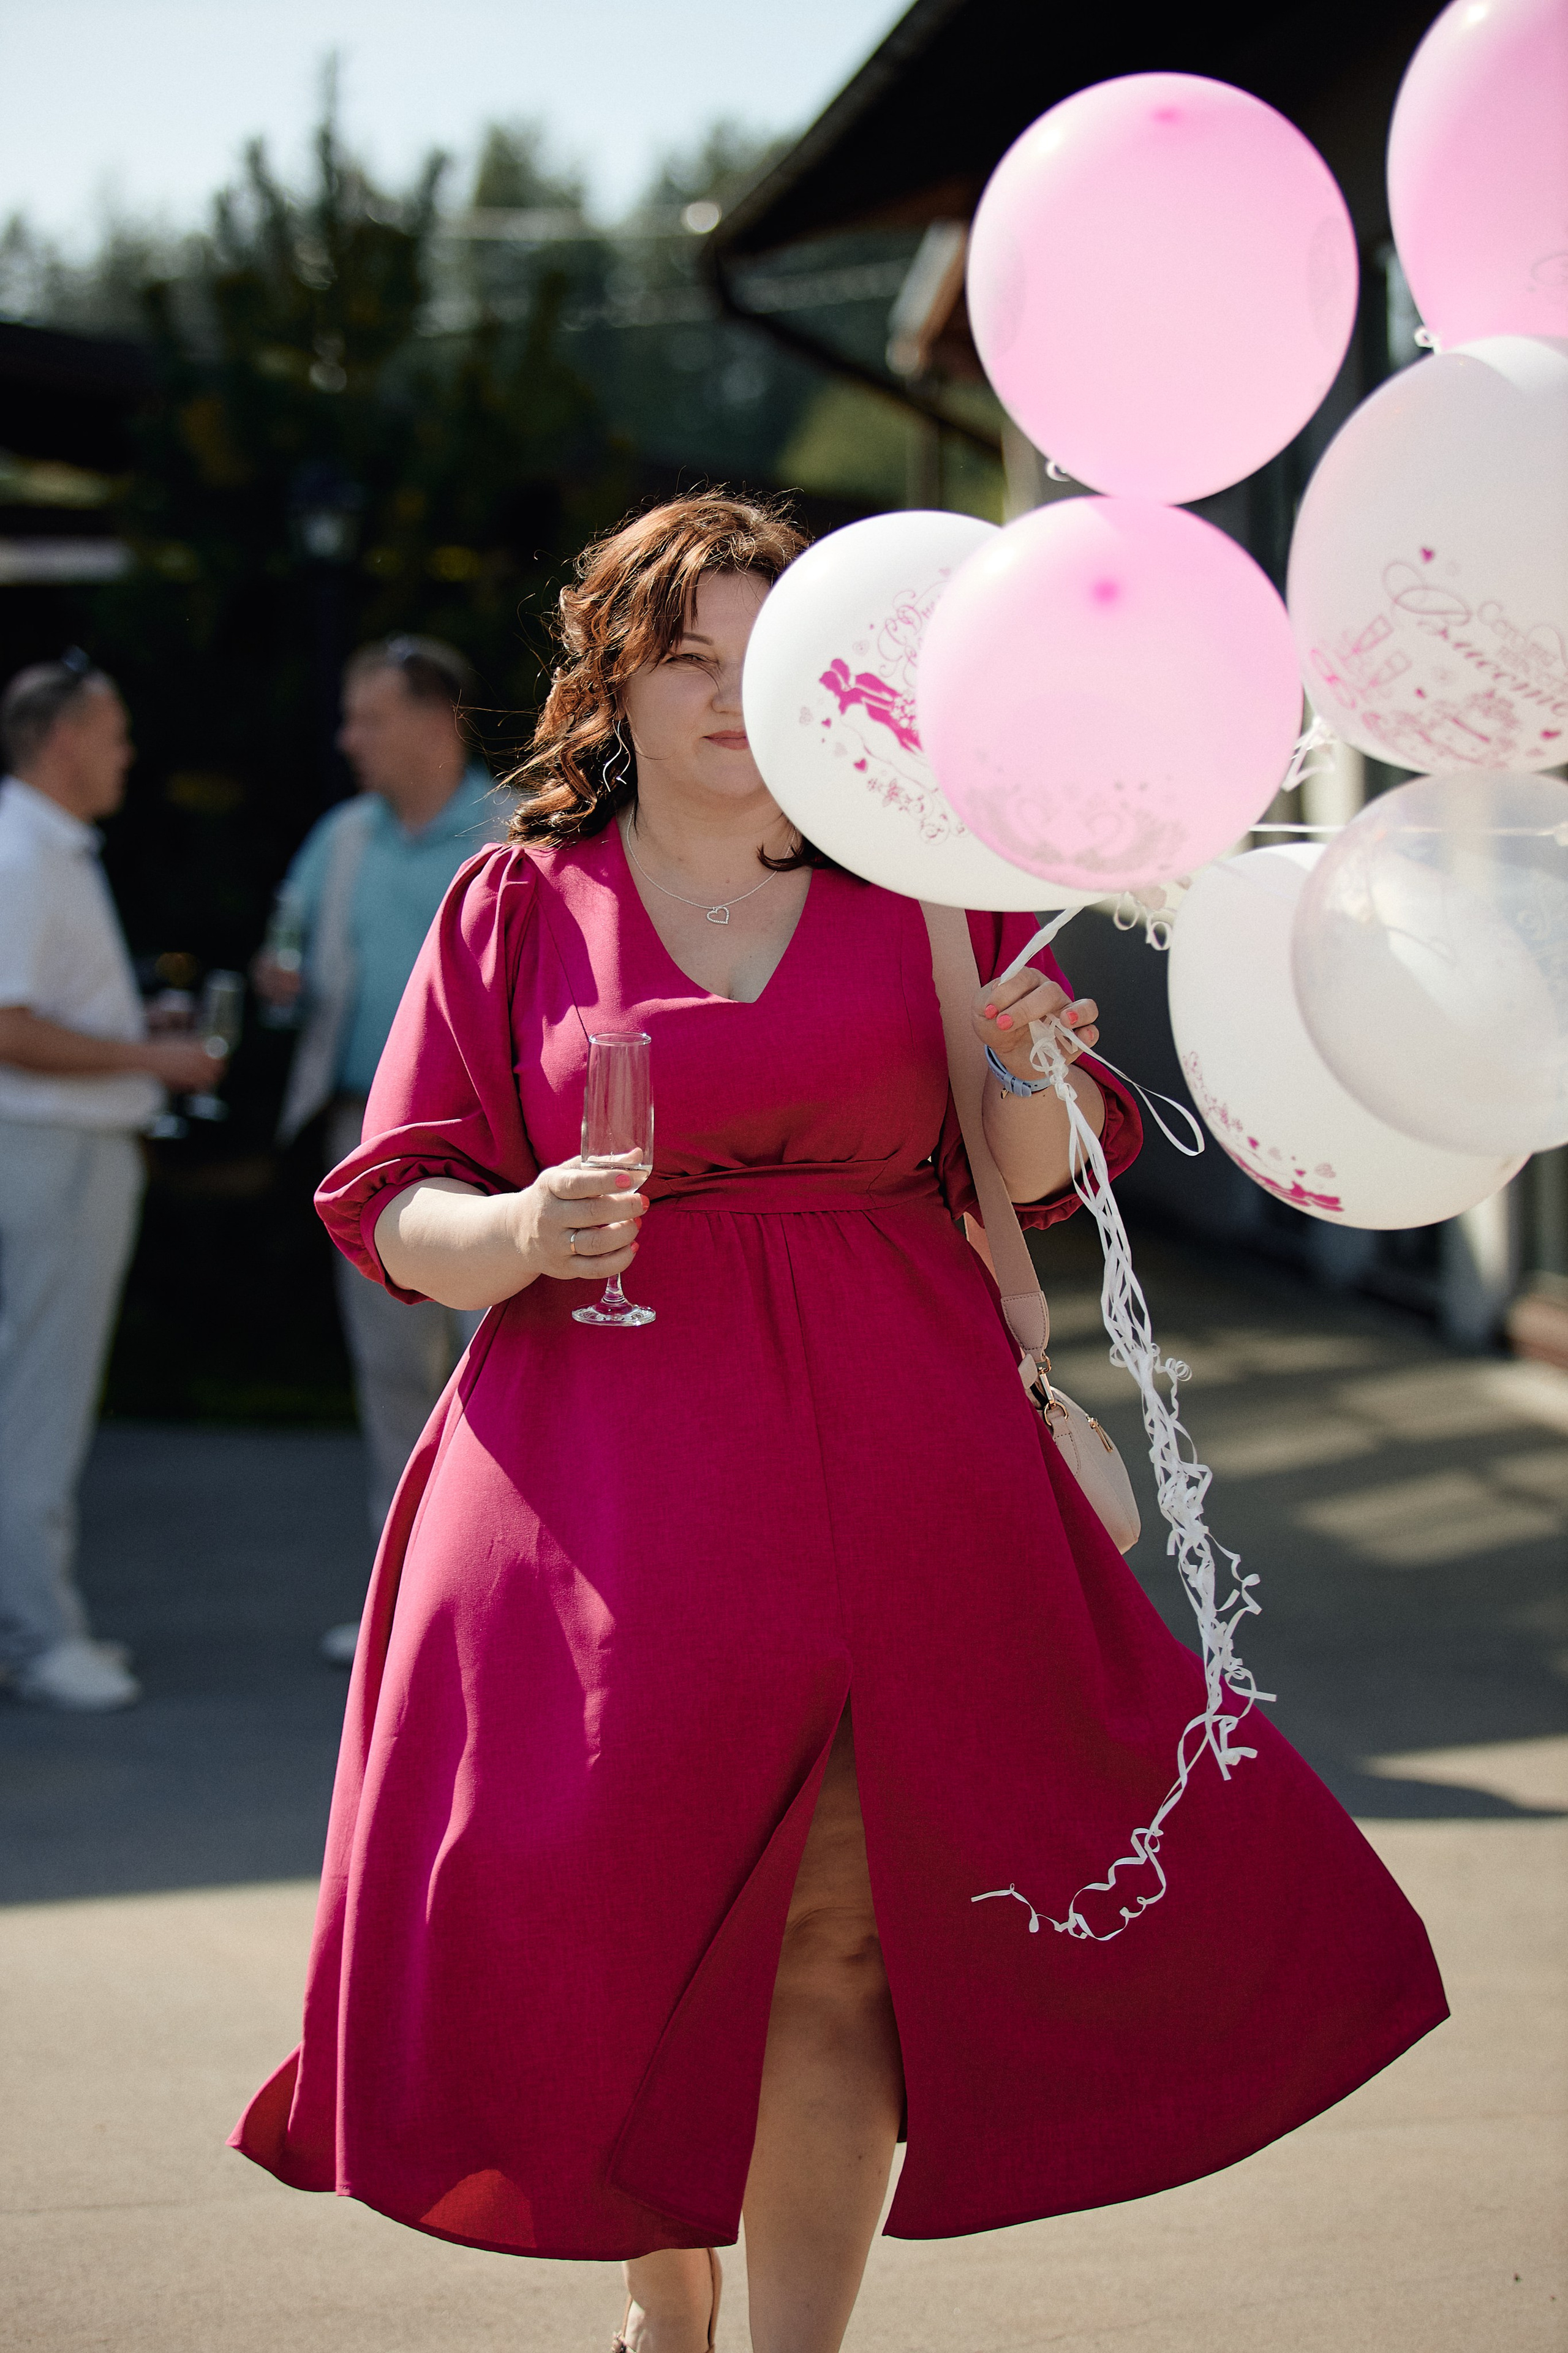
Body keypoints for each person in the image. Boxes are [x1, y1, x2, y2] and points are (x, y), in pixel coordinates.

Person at [232, 497, 1445, 2353]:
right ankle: (669, 2291)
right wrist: (517, 1226)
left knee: (850, 1927)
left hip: (906, 1458)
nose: (730, 696)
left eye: (761, 652)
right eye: (687, 657)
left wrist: (1038, 1065)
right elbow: (398, 1201)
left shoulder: (924, 893)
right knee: (612, 1909)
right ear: (612, 682)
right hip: (596, 1485)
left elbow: (1029, 1177)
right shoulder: (515, 904)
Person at [252, 636, 497, 1661]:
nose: (349, 739)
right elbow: (289, 943)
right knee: (393, 1376)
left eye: (370, 717)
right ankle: (406, 1610)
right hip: (370, 1133)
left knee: (511, 1370)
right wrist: (279, 972)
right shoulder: (343, 837)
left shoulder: (523, 827)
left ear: (437, 722)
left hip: (500, 1142)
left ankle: (508, 1603)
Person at [0, 654, 222, 1712]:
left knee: (30, 1396)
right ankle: (38, 1637)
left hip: (53, 1153)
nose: (129, 753)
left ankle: (33, 1626)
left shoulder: (42, 845)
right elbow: (6, 1027)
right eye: (115, 732)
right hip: (50, 1157)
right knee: (38, 1402)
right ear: (64, 741)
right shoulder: (22, 849)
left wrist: (137, 1037)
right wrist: (153, 1061)